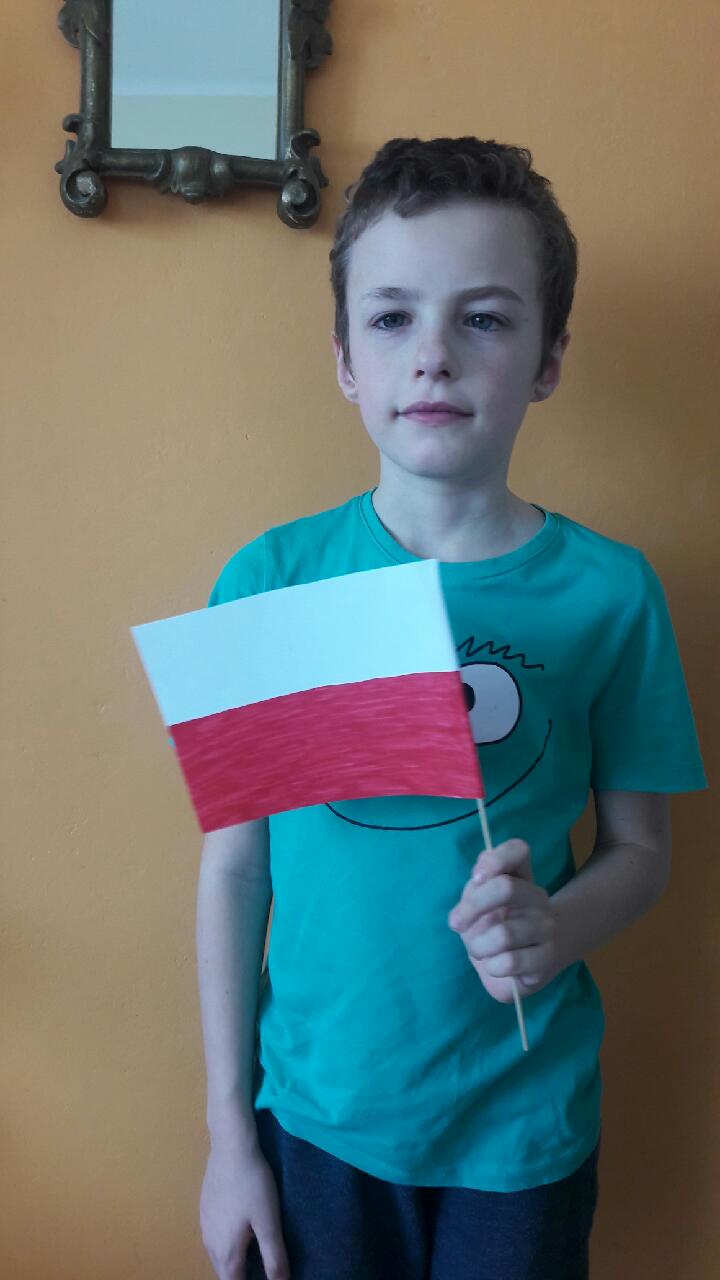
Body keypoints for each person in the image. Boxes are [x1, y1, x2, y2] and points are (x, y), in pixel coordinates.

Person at [195, 137, 707, 1280]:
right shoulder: (272, 581)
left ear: (548, 358)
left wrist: (557, 925)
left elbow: (641, 849)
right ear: (345, 360)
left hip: (521, 1128)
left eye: (483, 318)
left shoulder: (610, 591)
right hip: (312, 1118)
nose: (432, 355)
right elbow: (235, 869)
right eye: (391, 318)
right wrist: (228, 1136)